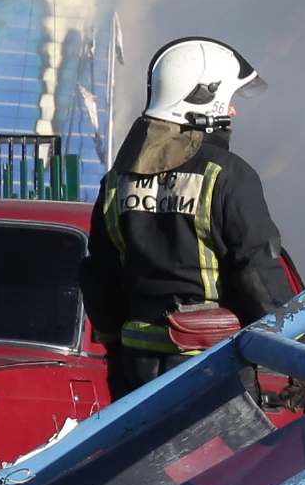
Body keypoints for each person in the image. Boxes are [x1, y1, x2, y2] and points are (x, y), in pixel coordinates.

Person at [82, 36, 288, 397]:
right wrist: (297, 353)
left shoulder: (117, 179)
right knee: (220, 456)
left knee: (145, 455)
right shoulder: (227, 175)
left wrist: (118, 354)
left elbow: (100, 276)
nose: (234, 112)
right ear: (201, 96)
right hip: (209, 368)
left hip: (135, 369)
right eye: (228, 98)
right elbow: (259, 275)